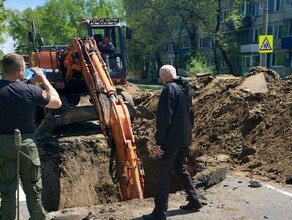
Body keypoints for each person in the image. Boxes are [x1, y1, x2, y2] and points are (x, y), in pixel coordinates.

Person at [0, 53, 62, 220]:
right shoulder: (32, 90)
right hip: (27, 143)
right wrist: (43, 80)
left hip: (3, 146)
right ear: (21, 71)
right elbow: (57, 102)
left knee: (7, 191)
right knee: (33, 188)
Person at [142, 65, 202, 220]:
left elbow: (164, 118)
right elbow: (191, 115)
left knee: (163, 174)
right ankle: (195, 201)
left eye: (161, 78)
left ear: (164, 76)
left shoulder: (169, 89)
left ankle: (159, 212)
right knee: (181, 168)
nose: (162, 81)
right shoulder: (185, 89)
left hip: (171, 141)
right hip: (184, 138)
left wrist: (159, 142)